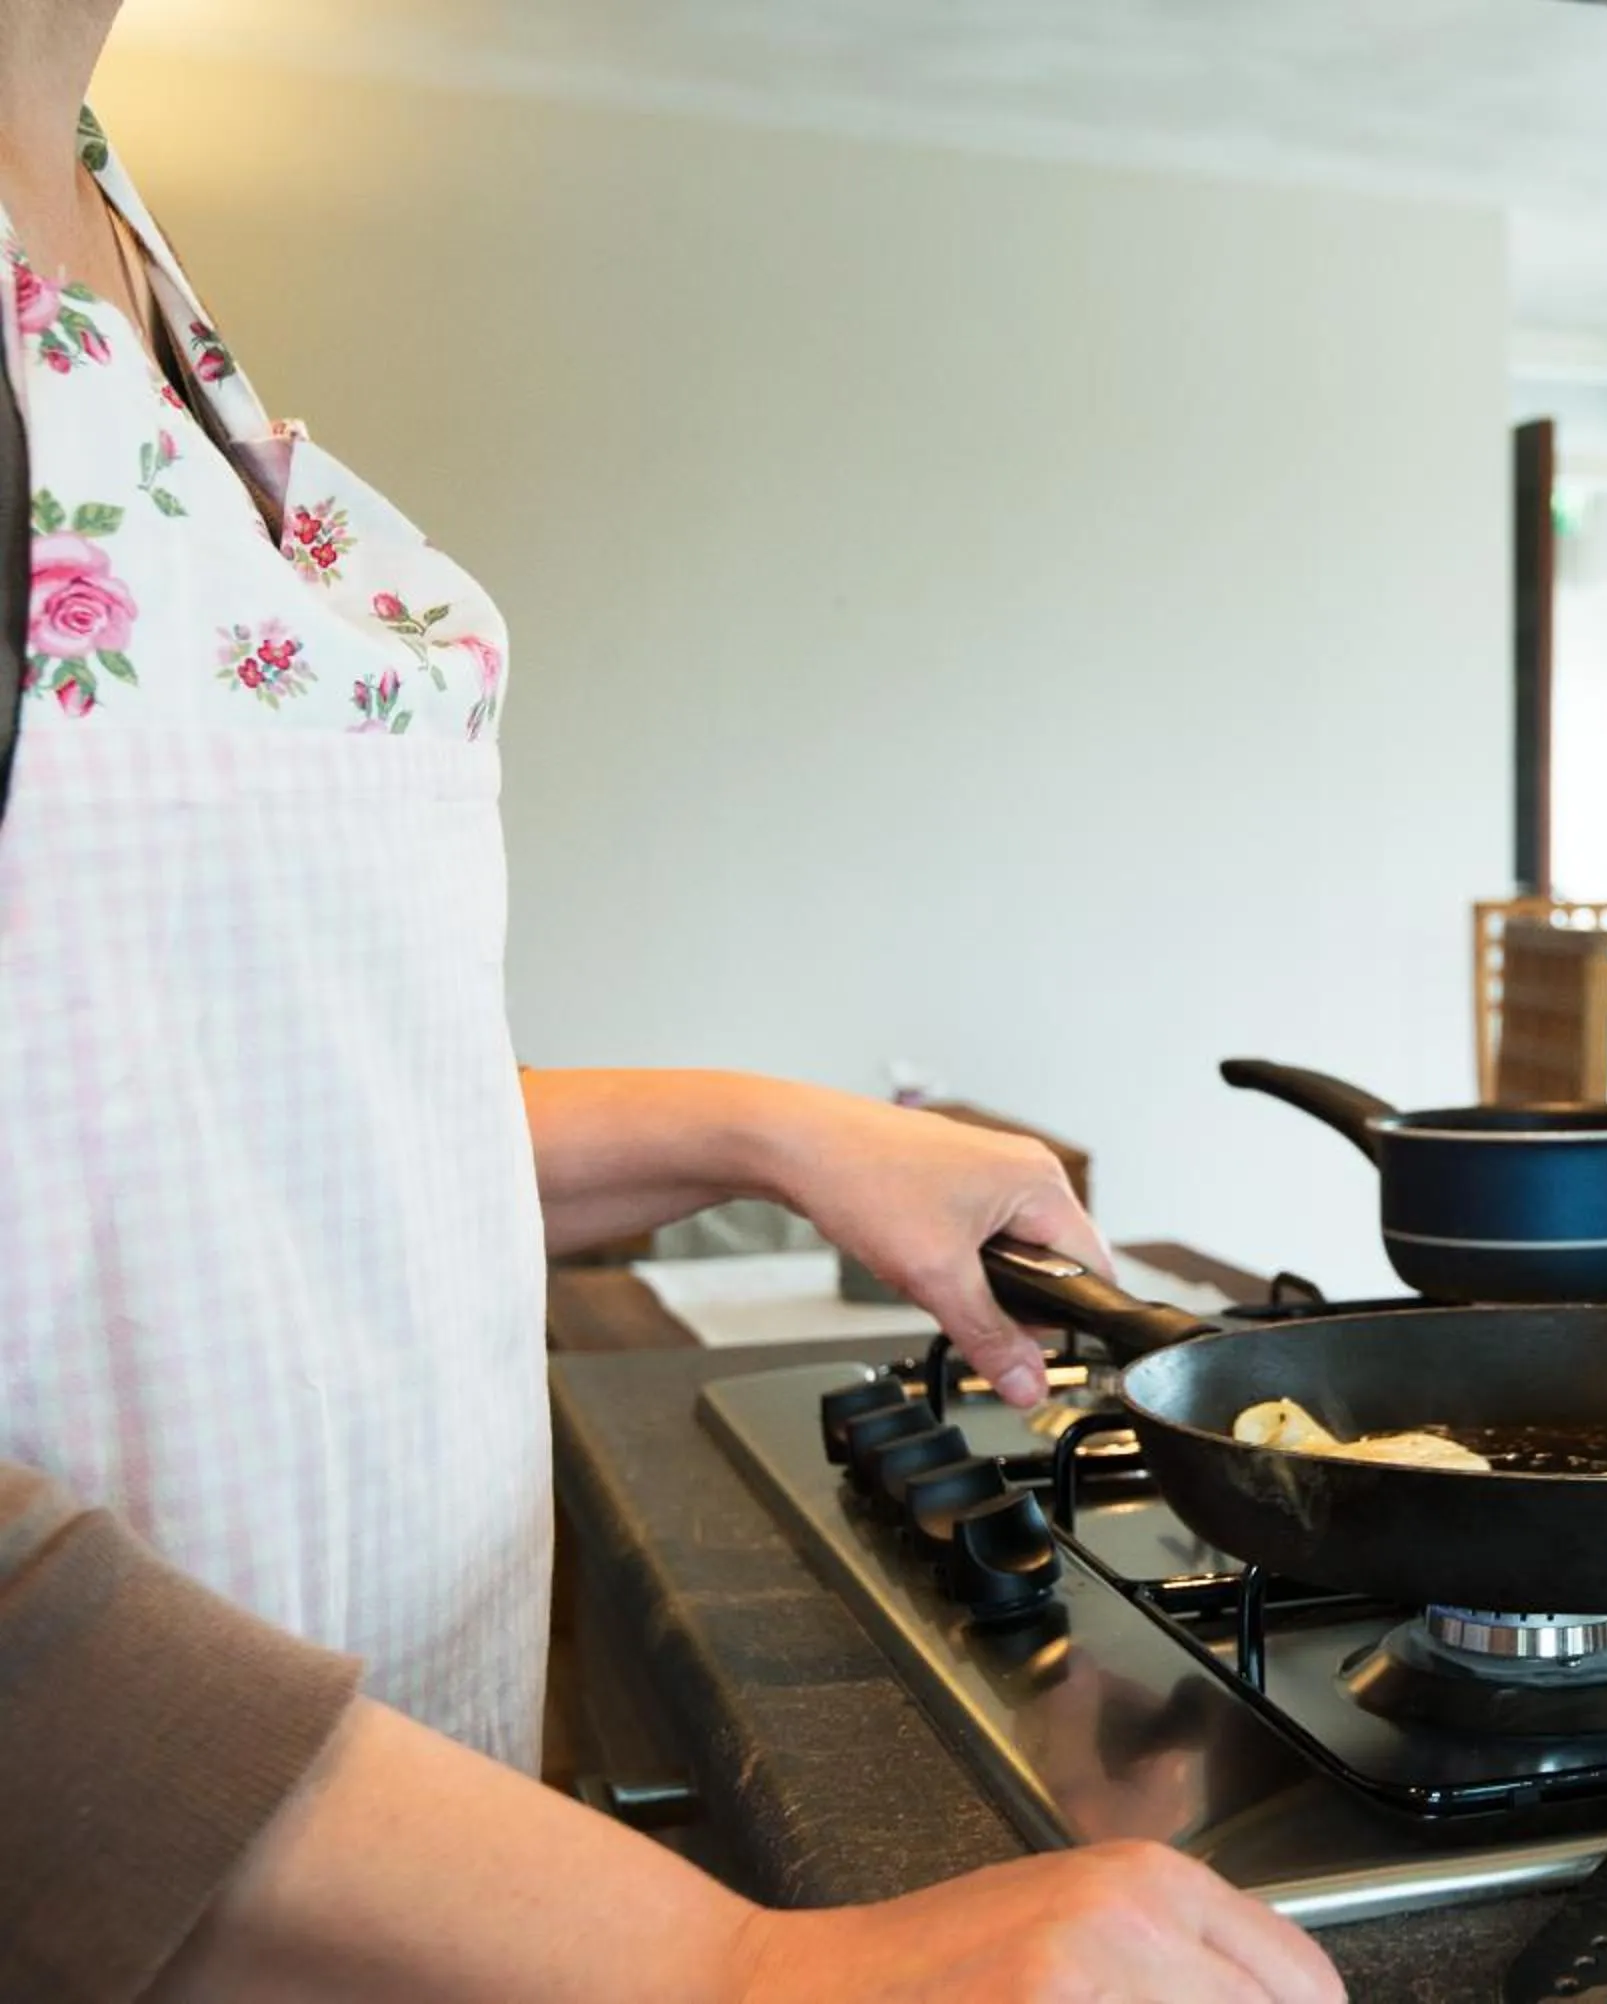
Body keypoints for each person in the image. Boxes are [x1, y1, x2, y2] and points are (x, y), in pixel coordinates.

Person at [0, 8, 1342, 1998]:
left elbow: (173, 1138)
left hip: (378, 1867)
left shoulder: (96, 203)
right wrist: (731, 1966)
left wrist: (768, 1133)